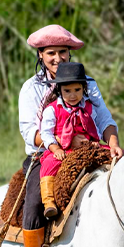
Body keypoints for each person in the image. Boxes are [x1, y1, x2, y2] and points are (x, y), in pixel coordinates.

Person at [16, 24, 122, 247]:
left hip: (89, 149)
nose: (58, 58)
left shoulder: (86, 82)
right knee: (34, 203)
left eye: (63, 52)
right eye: (51, 52)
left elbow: (104, 118)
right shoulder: (32, 88)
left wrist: (112, 142)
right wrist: (62, 143)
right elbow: (29, 131)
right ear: (40, 54)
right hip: (46, 154)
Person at [37, 62, 104, 219]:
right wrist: (56, 149)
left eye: (77, 90)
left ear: (83, 89)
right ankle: (49, 202)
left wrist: (95, 141)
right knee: (49, 164)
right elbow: (46, 133)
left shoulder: (89, 108)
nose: (72, 95)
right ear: (59, 90)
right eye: (67, 91)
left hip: (86, 148)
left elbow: (96, 127)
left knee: (113, 156)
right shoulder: (52, 109)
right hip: (63, 149)